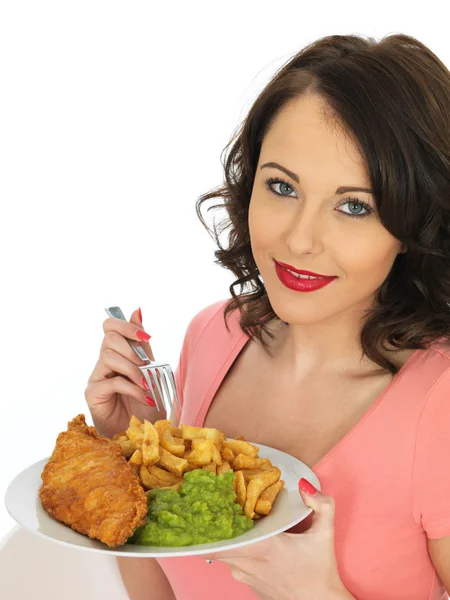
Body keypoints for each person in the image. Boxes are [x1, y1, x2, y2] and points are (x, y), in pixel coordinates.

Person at [84, 32, 450, 600]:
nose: (300, 239)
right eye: (281, 186)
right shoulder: (213, 336)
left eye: (355, 205)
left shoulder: (440, 405)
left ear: (415, 223)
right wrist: (129, 455)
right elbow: (165, 584)